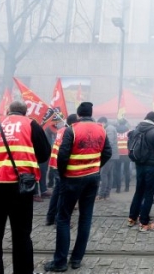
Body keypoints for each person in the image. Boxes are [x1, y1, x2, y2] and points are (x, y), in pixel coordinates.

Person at [0, 101, 51, 274]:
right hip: (20, 188)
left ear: (7, 111)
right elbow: (44, 154)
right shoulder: (31, 124)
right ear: (25, 112)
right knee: (22, 235)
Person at [44, 102, 112, 272]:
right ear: (91, 113)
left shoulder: (72, 129)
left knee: (63, 218)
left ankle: (60, 262)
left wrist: (62, 174)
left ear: (79, 115)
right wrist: (95, 166)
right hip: (92, 179)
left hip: (72, 178)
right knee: (85, 218)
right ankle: (76, 259)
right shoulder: (101, 129)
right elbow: (108, 152)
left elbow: (63, 154)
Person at [127, 111, 154, 232]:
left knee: (139, 191)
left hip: (139, 164)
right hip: (151, 165)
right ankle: (144, 222)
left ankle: (132, 218)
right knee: (149, 193)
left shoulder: (137, 129)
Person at [46, 114, 79, 226]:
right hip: (62, 165)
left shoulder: (61, 130)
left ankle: (50, 218)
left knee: (56, 192)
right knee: (63, 194)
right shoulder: (70, 132)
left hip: (55, 163)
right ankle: (58, 219)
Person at [96, 117, 117, 201]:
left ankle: (102, 194)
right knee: (109, 174)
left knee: (104, 174)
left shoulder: (109, 129)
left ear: (103, 122)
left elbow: (109, 142)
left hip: (109, 155)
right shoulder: (109, 128)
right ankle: (106, 194)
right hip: (111, 155)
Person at [114, 119, 131, 192]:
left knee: (117, 171)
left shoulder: (115, 131)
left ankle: (118, 188)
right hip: (127, 153)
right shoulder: (129, 132)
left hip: (117, 153)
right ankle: (127, 188)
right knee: (127, 171)